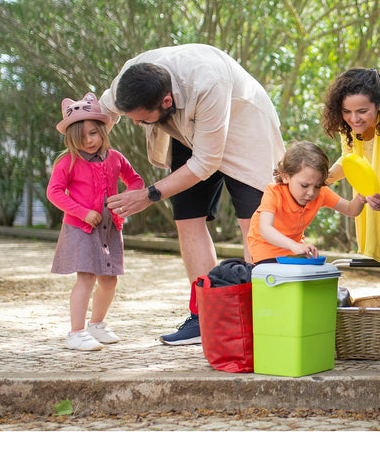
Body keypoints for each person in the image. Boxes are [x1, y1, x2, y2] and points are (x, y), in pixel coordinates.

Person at [98, 44, 285, 346]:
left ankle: (267, 318)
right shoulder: (128, 81)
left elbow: (206, 163)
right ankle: (207, 316)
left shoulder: (208, 81)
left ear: (166, 100)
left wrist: (149, 195)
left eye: (141, 119)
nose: (135, 123)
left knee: (255, 226)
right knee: (187, 218)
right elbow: (103, 111)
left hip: (243, 124)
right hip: (184, 127)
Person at [46, 93, 145, 351]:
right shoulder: (68, 162)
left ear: (102, 130)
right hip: (82, 229)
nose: (88, 140)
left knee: (109, 279)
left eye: (93, 133)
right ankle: (75, 333)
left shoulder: (115, 158)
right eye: (81, 137)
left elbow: (135, 181)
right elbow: (54, 192)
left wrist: (125, 200)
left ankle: (96, 324)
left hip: (110, 229)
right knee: (86, 279)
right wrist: (81, 211)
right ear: (71, 139)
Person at [321, 67, 380, 301]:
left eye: (362, 111)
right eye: (346, 111)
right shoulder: (348, 123)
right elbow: (350, 161)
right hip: (376, 189)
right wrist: (322, 177)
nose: (354, 119)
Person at [247, 141, 366, 264]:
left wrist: (361, 198)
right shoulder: (274, 192)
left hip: (294, 249)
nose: (311, 192)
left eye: (317, 186)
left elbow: (351, 209)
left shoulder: (321, 193)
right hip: (265, 248)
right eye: (304, 185)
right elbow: (266, 229)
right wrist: (294, 246)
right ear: (286, 176)